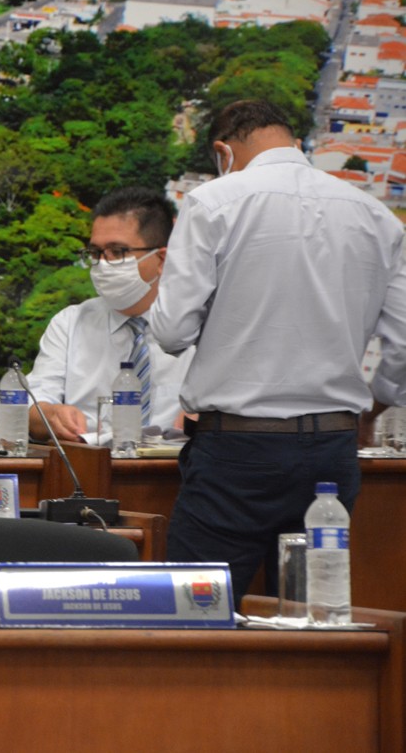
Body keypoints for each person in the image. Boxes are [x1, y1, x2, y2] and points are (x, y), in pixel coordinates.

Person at [150, 98, 406, 605]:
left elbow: (172, 332)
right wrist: (374, 407)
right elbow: (402, 343)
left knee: (196, 611)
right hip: (333, 449)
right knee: (313, 615)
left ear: (223, 151)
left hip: (237, 449)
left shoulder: (212, 202)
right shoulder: (377, 216)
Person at [26, 187, 194, 443]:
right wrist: (50, 415)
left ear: (161, 259)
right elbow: (34, 405)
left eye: (118, 251)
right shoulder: (70, 323)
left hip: (177, 461)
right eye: (96, 253)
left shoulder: (200, 325)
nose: (103, 264)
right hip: (89, 460)